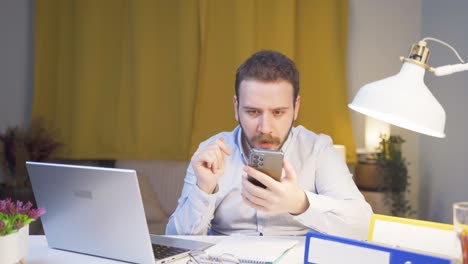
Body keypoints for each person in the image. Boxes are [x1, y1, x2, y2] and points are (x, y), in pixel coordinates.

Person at [166, 50, 372, 239]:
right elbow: (176, 241)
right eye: (253, 112)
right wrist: (204, 189)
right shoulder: (212, 152)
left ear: (296, 107)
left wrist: (300, 203)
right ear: (236, 107)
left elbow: (362, 225)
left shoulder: (318, 149)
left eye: (278, 112)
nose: (265, 128)